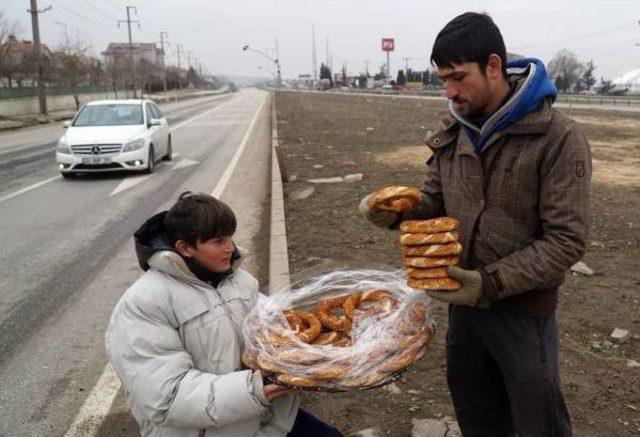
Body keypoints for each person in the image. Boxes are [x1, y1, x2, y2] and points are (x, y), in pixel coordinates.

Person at [360, 12, 591, 437]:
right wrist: (398, 212)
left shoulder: (558, 137)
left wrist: (487, 283)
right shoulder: (453, 129)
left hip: (524, 314)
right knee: (477, 414)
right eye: (442, 78)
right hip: (464, 310)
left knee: (538, 423)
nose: (448, 91)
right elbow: (435, 203)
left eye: (457, 77)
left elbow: (566, 240)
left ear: (493, 66)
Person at [106, 192, 342, 437]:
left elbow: (272, 334)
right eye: (218, 241)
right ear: (185, 248)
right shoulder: (143, 305)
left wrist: (314, 345)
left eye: (230, 236)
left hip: (268, 419)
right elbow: (166, 397)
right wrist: (254, 389)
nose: (231, 248)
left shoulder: (241, 282)